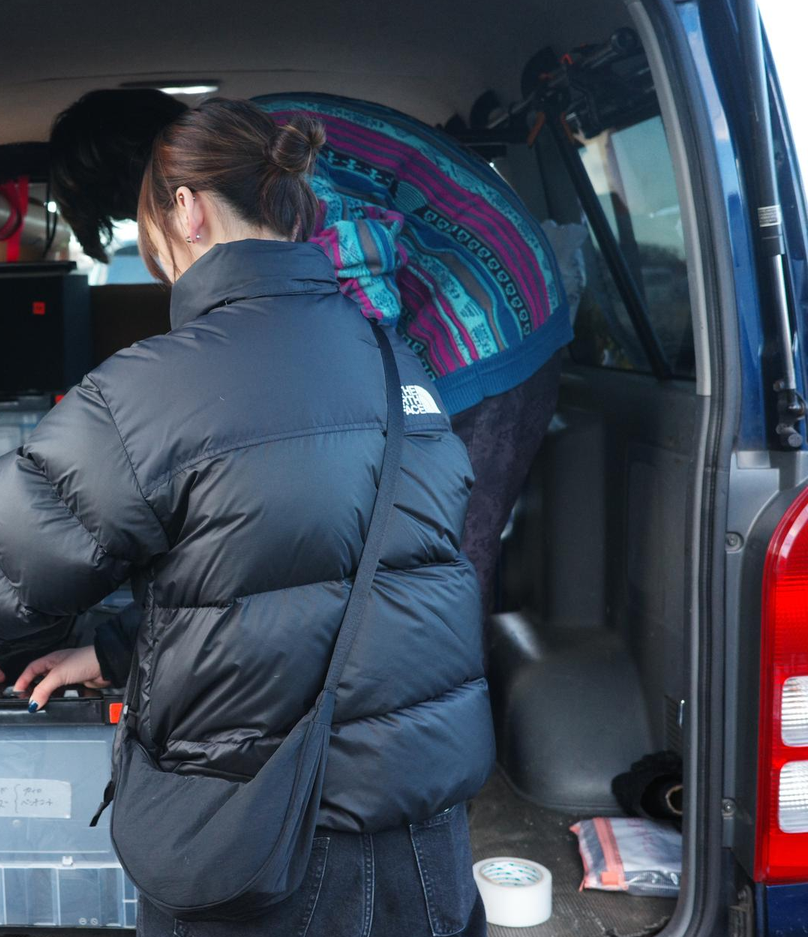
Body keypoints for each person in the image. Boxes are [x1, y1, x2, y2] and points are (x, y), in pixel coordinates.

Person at [0, 98, 492, 937]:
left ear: (185, 209)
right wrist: (113, 652)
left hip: (258, 843)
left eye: (149, 228)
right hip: (425, 846)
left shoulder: (153, 388)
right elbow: (310, 580)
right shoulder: (398, 365)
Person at [50, 89, 569, 621]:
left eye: (154, 229)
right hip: (470, 296)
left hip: (489, 309)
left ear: (179, 200)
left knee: (438, 572)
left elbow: (346, 341)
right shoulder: (243, 149)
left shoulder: (265, 163)